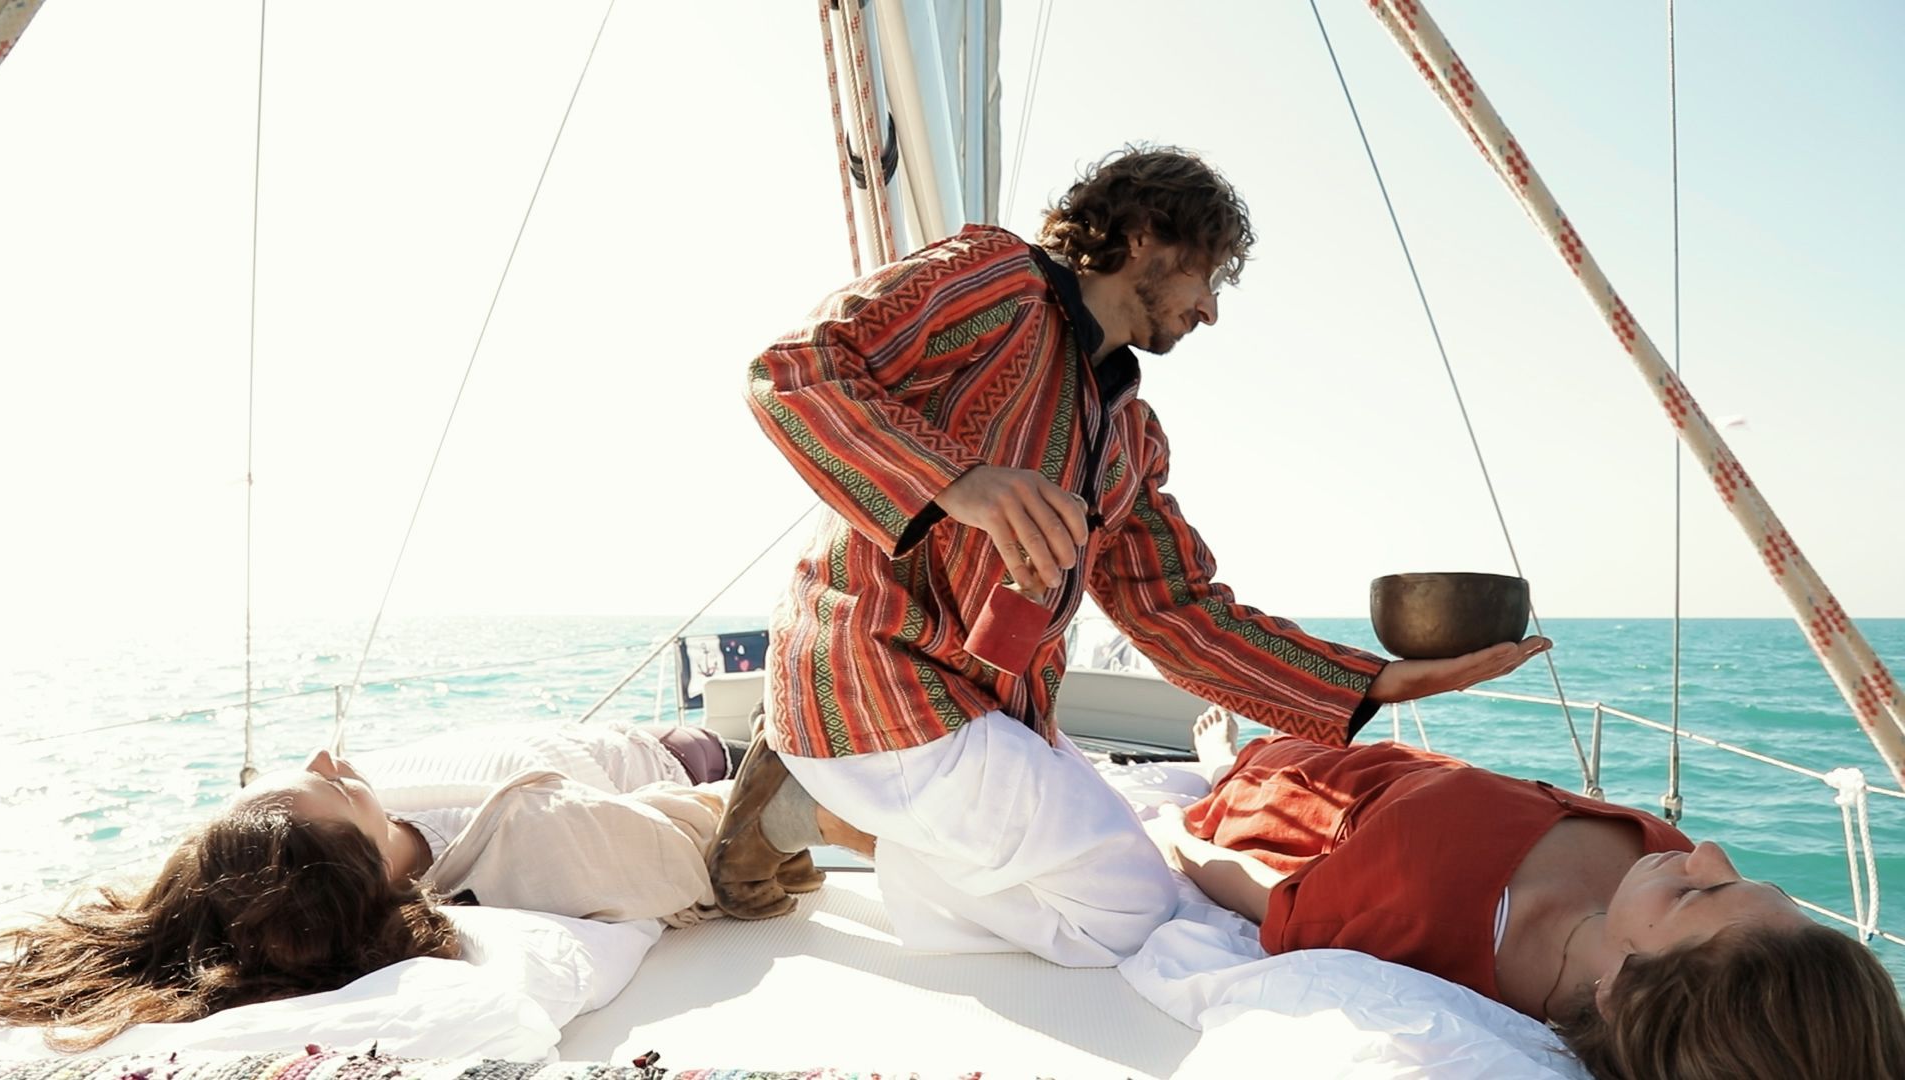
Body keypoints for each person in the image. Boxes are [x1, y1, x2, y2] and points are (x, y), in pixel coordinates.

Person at [712, 143, 1550, 966]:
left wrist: (1377, 682)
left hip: (994, 711)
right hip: (877, 677)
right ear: (1146, 235)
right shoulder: (994, 283)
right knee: (1131, 916)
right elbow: (792, 371)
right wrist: (960, 482)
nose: (1210, 310)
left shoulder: (1129, 438)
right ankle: (809, 810)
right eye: (1207, 277)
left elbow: (1179, 612)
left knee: (1143, 895)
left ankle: (827, 801)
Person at [1153, 706, 1905, 1080]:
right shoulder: (1659, 861)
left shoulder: (1421, 915)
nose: (1704, 853)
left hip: (1299, 786)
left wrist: (1176, 835)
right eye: (1746, 880)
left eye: (1695, 897)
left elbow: (1258, 886)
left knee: (1246, 762)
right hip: (1425, 767)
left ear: (1622, 992)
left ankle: (1218, 760)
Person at [0, 720, 755, 1050]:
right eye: (340, 787)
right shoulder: (540, 838)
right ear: (369, 869)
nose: (329, 754)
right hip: (669, 753)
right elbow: (711, 844)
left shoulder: (257, 871)